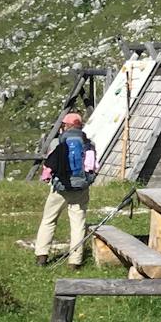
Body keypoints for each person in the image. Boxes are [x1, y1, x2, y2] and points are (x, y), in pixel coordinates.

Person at [36, 112, 99, 268]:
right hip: (80, 189)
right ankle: (75, 261)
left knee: (49, 220)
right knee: (78, 223)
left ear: (66, 126)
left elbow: (49, 165)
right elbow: (93, 167)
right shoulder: (89, 144)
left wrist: (47, 178)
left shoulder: (57, 143)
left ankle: (41, 256)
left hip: (60, 188)